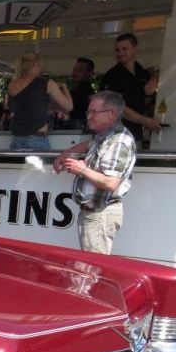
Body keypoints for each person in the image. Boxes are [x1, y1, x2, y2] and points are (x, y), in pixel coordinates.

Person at [53, 91, 136, 255]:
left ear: (111, 114)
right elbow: (88, 143)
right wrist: (66, 154)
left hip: (100, 214)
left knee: (93, 270)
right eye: (88, 112)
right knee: (91, 267)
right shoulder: (105, 136)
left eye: (93, 112)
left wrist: (82, 169)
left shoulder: (119, 141)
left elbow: (111, 183)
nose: (89, 116)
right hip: (95, 213)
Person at [100, 33, 160, 142]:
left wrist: (148, 94)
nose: (120, 53)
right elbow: (117, 108)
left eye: (124, 49)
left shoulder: (143, 73)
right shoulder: (111, 76)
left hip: (136, 134)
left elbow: (143, 104)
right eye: (117, 50)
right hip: (115, 135)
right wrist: (146, 121)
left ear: (135, 50)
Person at [8, 51, 73, 150]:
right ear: (36, 65)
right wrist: (65, 89)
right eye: (39, 65)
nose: (40, 68)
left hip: (17, 138)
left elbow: (14, 108)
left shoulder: (12, 84)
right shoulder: (46, 83)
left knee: (15, 165)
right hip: (37, 138)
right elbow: (69, 106)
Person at [68, 58, 95, 128]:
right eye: (74, 70)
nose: (75, 73)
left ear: (89, 74)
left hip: (80, 128)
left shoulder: (86, 90)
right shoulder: (78, 89)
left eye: (80, 71)